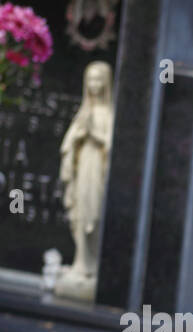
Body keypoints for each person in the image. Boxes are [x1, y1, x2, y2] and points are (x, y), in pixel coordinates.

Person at [57, 61, 114, 299]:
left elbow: (112, 145)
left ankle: (92, 266)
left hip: (97, 171)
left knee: (94, 214)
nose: (94, 85)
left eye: (99, 80)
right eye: (90, 80)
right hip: (83, 169)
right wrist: (79, 136)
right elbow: (67, 145)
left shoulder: (109, 114)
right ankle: (81, 262)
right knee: (80, 215)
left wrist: (95, 135)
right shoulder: (84, 112)